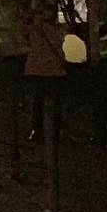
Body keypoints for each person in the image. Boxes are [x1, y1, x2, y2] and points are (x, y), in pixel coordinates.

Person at [18, 8, 67, 141]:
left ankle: (37, 129)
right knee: (52, 101)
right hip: (54, 70)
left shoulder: (35, 28)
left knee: (38, 101)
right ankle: (52, 129)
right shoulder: (56, 29)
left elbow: (22, 33)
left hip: (38, 70)